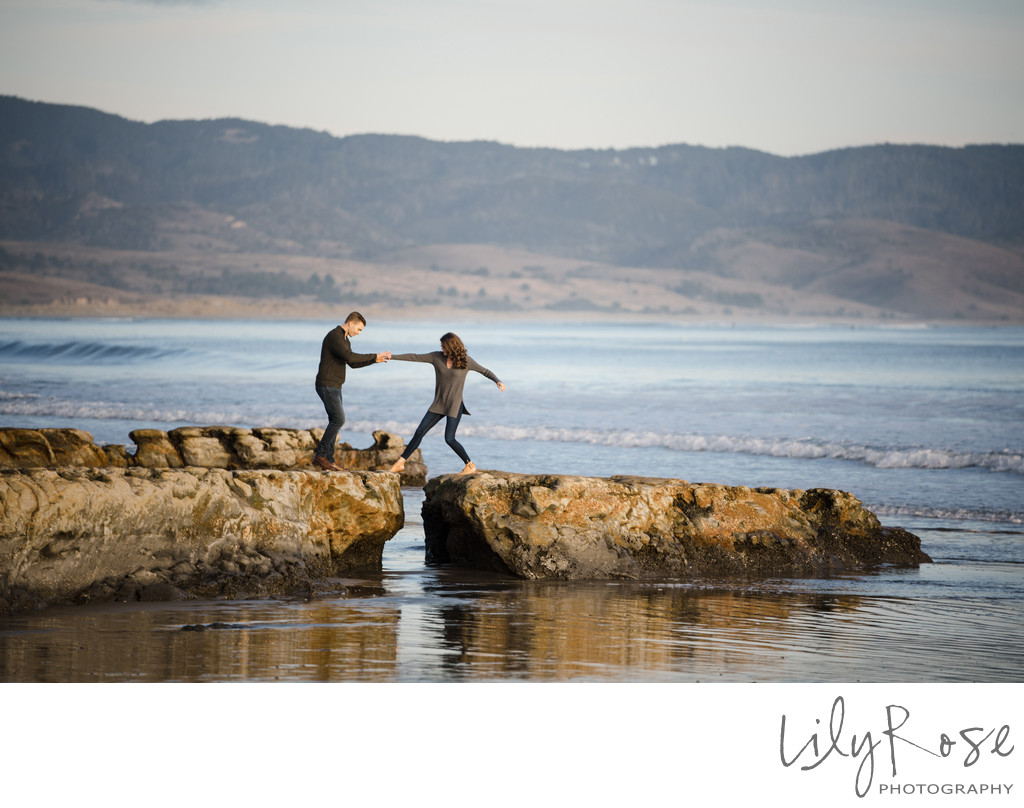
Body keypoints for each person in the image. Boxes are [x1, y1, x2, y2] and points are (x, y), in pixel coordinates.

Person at [388, 332, 505, 475]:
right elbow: (414, 357)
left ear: (452, 347)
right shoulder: (436, 357)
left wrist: (497, 381)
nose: (442, 349)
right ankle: (400, 462)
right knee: (419, 432)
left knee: (449, 439)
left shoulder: (466, 361)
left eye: (444, 347)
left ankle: (469, 464)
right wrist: (391, 356)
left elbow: (485, 371)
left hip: (454, 405)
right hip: (439, 404)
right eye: (442, 347)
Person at [313, 311, 390, 471]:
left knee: (335, 420)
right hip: (327, 384)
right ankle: (320, 456)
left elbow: (353, 364)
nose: (359, 333)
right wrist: (375, 355)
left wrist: (375, 360)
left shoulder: (344, 339)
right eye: (359, 329)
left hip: (334, 385)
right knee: (338, 419)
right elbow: (351, 357)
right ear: (351, 323)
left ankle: (329, 459)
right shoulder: (335, 336)